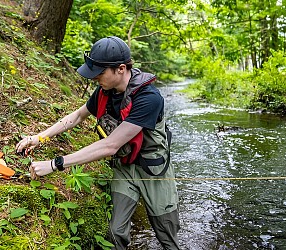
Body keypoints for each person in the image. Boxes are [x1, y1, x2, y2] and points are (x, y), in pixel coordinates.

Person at [15, 36, 180, 250]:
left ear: (120, 69)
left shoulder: (149, 98)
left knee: (167, 235)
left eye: (100, 72)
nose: (94, 78)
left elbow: (110, 145)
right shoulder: (104, 91)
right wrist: (39, 137)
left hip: (154, 171)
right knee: (115, 232)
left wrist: (55, 164)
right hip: (124, 167)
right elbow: (77, 116)